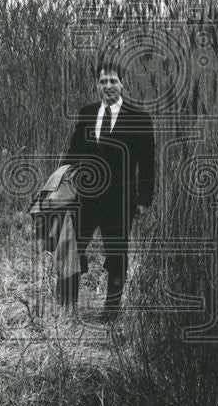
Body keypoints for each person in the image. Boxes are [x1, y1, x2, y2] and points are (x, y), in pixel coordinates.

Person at [61, 60, 155, 317]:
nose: (108, 86)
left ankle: (111, 312)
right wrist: (59, 187)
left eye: (113, 80)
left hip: (120, 199)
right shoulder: (87, 113)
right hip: (85, 198)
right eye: (103, 81)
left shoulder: (140, 118)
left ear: (122, 84)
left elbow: (147, 164)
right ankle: (67, 308)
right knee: (71, 249)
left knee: (117, 254)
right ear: (97, 85)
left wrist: (145, 199)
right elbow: (72, 154)